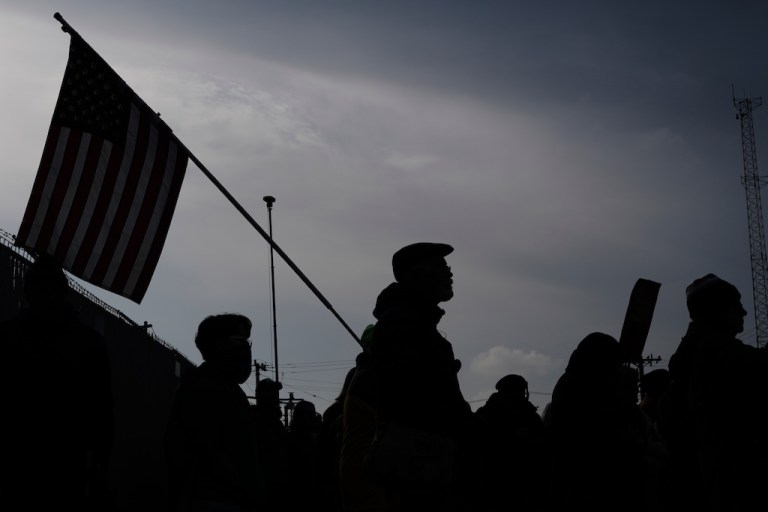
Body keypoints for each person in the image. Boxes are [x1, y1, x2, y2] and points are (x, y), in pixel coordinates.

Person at [0, 252, 115, 510]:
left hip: (57, 457)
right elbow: (102, 410)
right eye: (42, 289)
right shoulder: (88, 342)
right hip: (34, 456)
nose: (47, 297)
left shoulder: (9, 336)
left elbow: (101, 410)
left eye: (51, 289)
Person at [366, 242, 474, 511]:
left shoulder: (414, 321)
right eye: (441, 266)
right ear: (416, 273)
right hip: (418, 466)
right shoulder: (403, 321)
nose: (449, 274)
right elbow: (405, 394)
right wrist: (464, 424)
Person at [657, 274, 768, 512]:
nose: (744, 313)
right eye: (736, 306)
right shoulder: (713, 351)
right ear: (713, 310)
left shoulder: (696, 351)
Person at [164, 313, 264, 512]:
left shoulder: (226, 389)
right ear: (220, 344)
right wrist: (247, 490)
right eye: (241, 340)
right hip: (214, 500)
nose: (247, 348)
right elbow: (209, 452)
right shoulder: (205, 389)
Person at [544, 332, 648, 512]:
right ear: (600, 361)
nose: (615, 369)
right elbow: (596, 433)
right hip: (583, 483)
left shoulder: (583, 383)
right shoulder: (580, 387)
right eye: (613, 364)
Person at [474, 374, 549, 512]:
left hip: (524, 485)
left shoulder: (529, 414)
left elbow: (543, 445)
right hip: (495, 484)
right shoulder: (487, 415)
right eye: (518, 392)